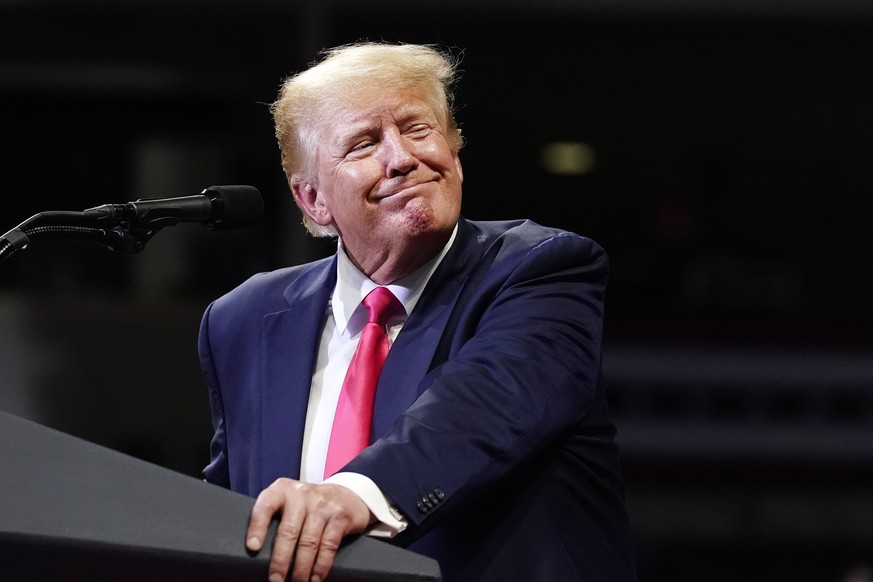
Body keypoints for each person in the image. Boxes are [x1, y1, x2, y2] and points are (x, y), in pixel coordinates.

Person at [198, 41, 638, 582]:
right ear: (312, 199)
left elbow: (481, 407)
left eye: (417, 128)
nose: (401, 157)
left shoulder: (541, 270)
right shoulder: (244, 320)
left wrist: (354, 495)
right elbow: (231, 510)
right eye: (363, 143)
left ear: (454, 153)